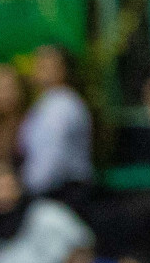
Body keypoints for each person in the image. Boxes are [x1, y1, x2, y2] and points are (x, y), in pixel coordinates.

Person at [18, 45, 93, 200]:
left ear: (62, 70)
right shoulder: (45, 103)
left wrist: (25, 191)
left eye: (46, 65)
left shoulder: (62, 104)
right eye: (37, 63)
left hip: (64, 194)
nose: (38, 69)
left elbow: (51, 158)